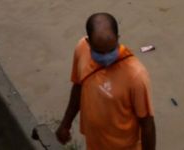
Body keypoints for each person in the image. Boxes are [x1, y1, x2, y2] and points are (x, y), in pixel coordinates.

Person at [56, 12, 155, 150]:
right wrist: (66, 124)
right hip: (94, 143)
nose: (106, 57)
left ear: (117, 39)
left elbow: (147, 124)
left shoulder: (136, 75)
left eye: (110, 50)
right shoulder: (81, 49)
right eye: (99, 52)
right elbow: (78, 87)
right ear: (88, 43)